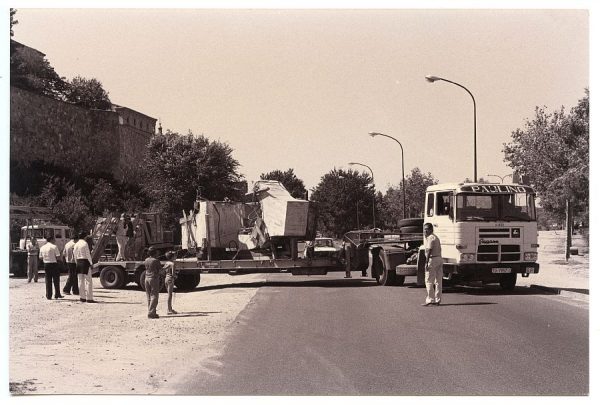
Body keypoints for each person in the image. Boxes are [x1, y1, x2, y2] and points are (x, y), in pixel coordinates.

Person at [422, 223, 443, 307]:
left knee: (429, 280)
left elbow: (429, 251)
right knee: (438, 281)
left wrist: (426, 263)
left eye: (427, 229)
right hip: (438, 259)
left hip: (432, 259)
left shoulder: (430, 238)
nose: (425, 231)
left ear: (431, 230)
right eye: (424, 229)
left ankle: (430, 300)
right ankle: (438, 299)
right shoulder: (435, 237)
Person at [39, 235, 63, 300]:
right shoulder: (54, 246)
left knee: (48, 280)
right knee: (56, 280)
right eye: (54, 239)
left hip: (46, 264)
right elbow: (58, 256)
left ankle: (48, 295)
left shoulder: (42, 247)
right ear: (51, 239)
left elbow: (40, 257)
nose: (55, 240)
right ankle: (57, 294)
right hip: (54, 263)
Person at [74, 231, 95, 303]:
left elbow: (75, 254)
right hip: (85, 261)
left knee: (80, 280)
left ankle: (82, 297)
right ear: (85, 236)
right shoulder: (85, 243)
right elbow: (87, 254)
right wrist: (91, 263)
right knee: (88, 281)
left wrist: (76, 262)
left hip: (78, 262)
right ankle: (89, 298)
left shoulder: (76, 244)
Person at [144, 247, 161, 319]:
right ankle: (151, 313)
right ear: (155, 253)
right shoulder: (156, 260)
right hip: (153, 278)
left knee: (149, 296)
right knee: (154, 296)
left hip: (146, 278)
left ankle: (152, 311)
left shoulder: (146, 260)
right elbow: (160, 270)